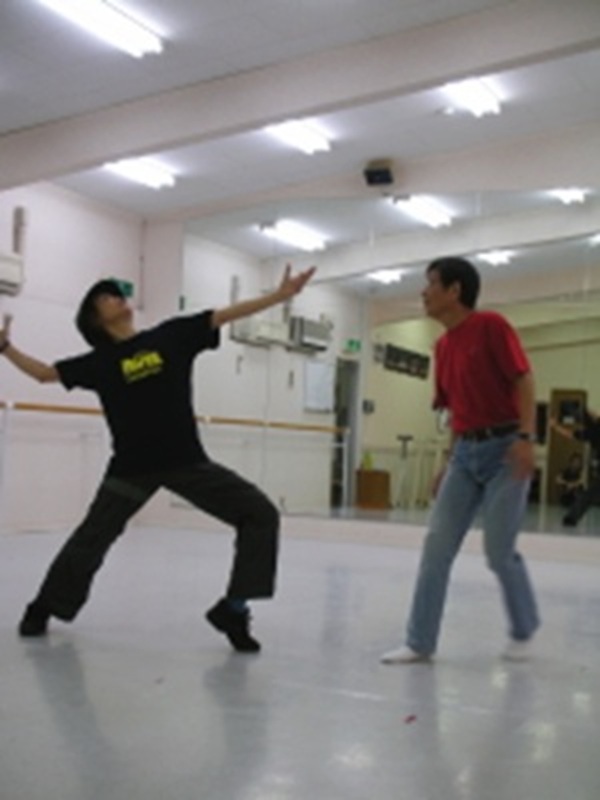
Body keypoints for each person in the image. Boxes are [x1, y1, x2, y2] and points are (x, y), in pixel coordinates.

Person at [1, 264, 315, 652]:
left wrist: (280, 296)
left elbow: (223, 315)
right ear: (95, 319)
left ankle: (233, 609)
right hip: (131, 470)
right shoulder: (98, 363)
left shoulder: (171, 336)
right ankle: (44, 606)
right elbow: (44, 374)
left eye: (117, 293)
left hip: (187, 463)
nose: (117, 298)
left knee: (260, 514)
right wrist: (5, 349)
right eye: (106, 297)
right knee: (91, 539)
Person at [381, 256, 540, 664]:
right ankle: (419, 641)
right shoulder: (442, 347)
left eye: (431, 283)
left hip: (506, 449)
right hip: (466, 455)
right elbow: (457, 410)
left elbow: (523, 379)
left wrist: (526, 438)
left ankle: (523, 627)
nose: (423, 292)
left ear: (454, 290)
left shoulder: (491, 326)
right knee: (436, 547)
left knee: (498, 550)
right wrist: (448, 461)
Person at [550, 410, 600, 526]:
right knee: (589, 494)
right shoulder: (595, 429)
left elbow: (570, 434)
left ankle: (571, 518)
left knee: (588, 495)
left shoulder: (591, 432)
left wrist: (555, 426)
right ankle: (571, 518)